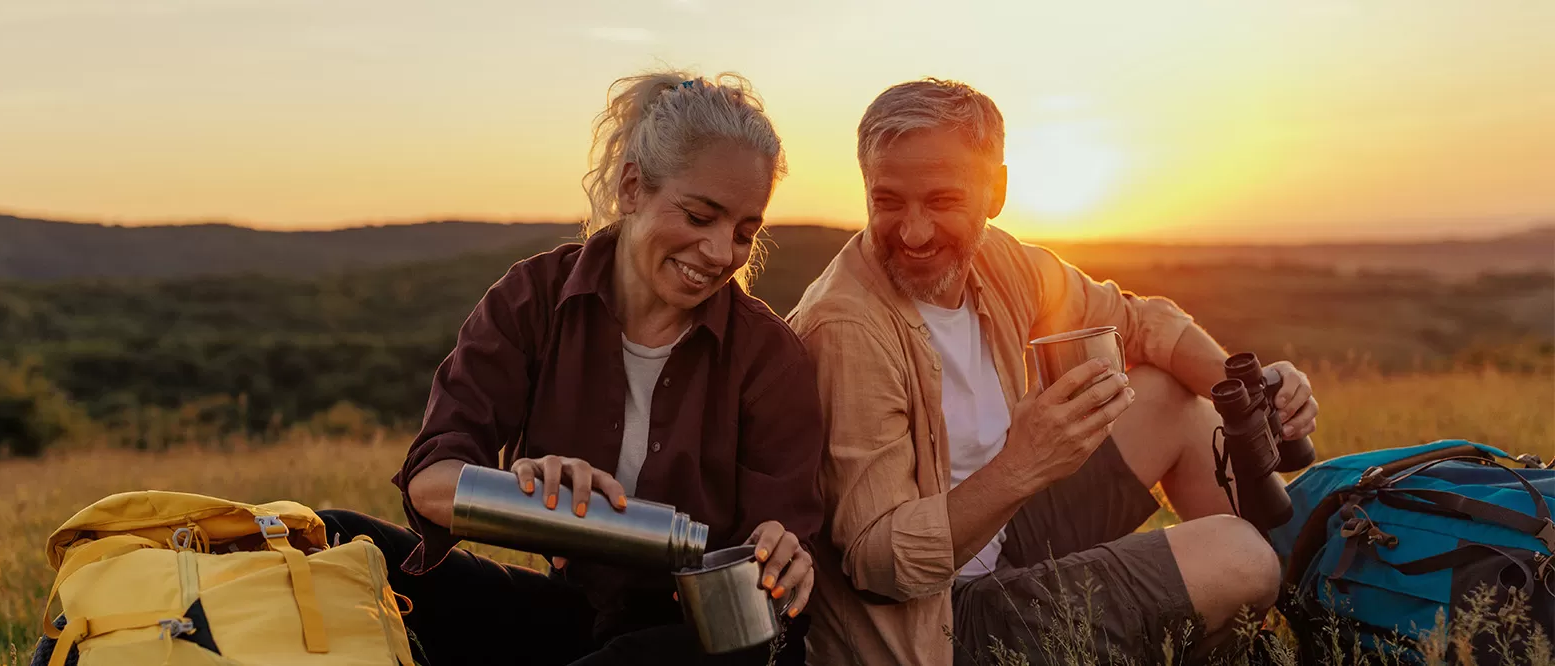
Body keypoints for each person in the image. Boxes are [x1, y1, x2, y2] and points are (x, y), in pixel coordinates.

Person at [790, 79, 1314, 665]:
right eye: (887, 202)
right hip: (936, 625)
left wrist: (1253, 395)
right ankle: (1238, 607)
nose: (912, 232)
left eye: (941, 202)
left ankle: (1288, 618)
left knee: (1167, 396)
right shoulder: (846, 329)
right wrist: (1025, 463)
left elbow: (1140, 324)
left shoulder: (998, 261)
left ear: (997, 191)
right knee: (1239, 557)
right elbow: (878, 562)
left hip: (1006, 535)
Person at [316, 70, 827, 665]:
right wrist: (529, 490)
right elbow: (432, 481)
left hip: (703, 639)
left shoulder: (768, 356)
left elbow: (777, 574)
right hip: (578, 615)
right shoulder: (533, 299)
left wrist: (782, 554)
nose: (720, 254)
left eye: (744, 231)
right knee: (339, 539)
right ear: (632, 187)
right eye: (698, 216)